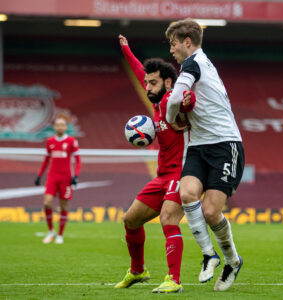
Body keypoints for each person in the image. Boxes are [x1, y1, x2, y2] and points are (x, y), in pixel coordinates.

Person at [165, 19, 244, 292]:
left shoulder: (193, 63)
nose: (171, 50)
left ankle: (232, 261)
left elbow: (175, 99)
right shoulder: (200, 65)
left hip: (225, 144)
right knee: (187, 193)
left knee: (211, 212)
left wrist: (172, 119)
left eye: (173, 44)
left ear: (188, 42)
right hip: (198, 146)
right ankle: (209, 254)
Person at [115, 34, 195, 293]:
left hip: (183, 174)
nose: (147, 87)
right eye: (146, 83)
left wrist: (189, 101)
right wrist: (126, 49)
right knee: (131, 220)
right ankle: (138, 271)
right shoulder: (155, 99)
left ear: (168, 82)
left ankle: (174, 279)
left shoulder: (175, 100)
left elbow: (190, 103)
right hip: (161, 177)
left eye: (152, 83)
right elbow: (140, 71)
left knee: (168, 218)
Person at [35, 117, 81, 244]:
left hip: (66, 177)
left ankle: (60, 234)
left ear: (65, 127)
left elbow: (78, 160)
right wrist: (39, 175)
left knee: (63, 205)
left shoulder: (72, 141)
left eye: (62, 125)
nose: (60, 127)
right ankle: (51, 231)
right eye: (57, 125)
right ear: (54, 127)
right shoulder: (50, 141)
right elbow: (46, 160)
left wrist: (76, 175)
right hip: (52, 176)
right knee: (47, 203)